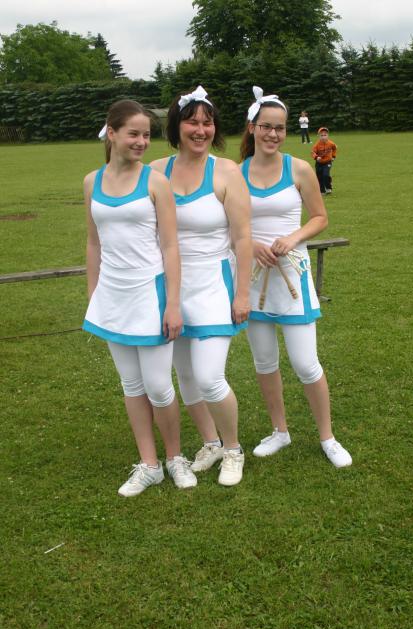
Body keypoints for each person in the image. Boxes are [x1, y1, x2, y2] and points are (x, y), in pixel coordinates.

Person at [82, 99, 196, 496]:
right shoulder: (91, 182)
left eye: (146, 135)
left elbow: (170, 247)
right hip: (112, 297)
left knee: (159, 387)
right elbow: (94, 243)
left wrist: (173, 304)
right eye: (133, 134)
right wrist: (94, 295)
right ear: (111, 133)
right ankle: (149, 465)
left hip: (150, 294)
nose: (141, 142)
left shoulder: (155, 182)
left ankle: (175, 457)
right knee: (131, 385)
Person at [239, 86, 352, 468]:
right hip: (254, 280)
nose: (273, 134)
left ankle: (327, 437)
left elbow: (320, 217)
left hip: (293, 278)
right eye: (266, 127)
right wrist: (253, 244)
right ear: (252, 128)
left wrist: (292, 238)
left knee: (306, 363)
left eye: (280, 128)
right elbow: (228, 227)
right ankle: (280, 431)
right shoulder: (236, 174)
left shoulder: (298, 169)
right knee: (264, 361)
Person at [150, 86, 252, 487]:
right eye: (192, 122)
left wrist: (242, 294)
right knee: (187, 377)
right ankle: (210, 443)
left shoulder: (226, 171)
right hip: (169, 289)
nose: (200, 130)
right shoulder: (156, 170)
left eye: (207, 123)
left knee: (210, 377)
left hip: (213, 285)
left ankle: (233, 449)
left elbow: (243, 237)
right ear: (177, 126)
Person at [311, 126, 337, 194]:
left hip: (327, 162)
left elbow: (334, 148)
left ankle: (328, 188)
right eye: (321, 135)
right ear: (319, 136)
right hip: (319, 163)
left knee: (326, 175)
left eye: (325, 135)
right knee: (319, 177)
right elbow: (313, 152)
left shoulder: (331, 143)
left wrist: (333, 156)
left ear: (328, 135)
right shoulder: (317, 145)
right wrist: (316, 157)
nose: (323, 137)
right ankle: (322, 190)